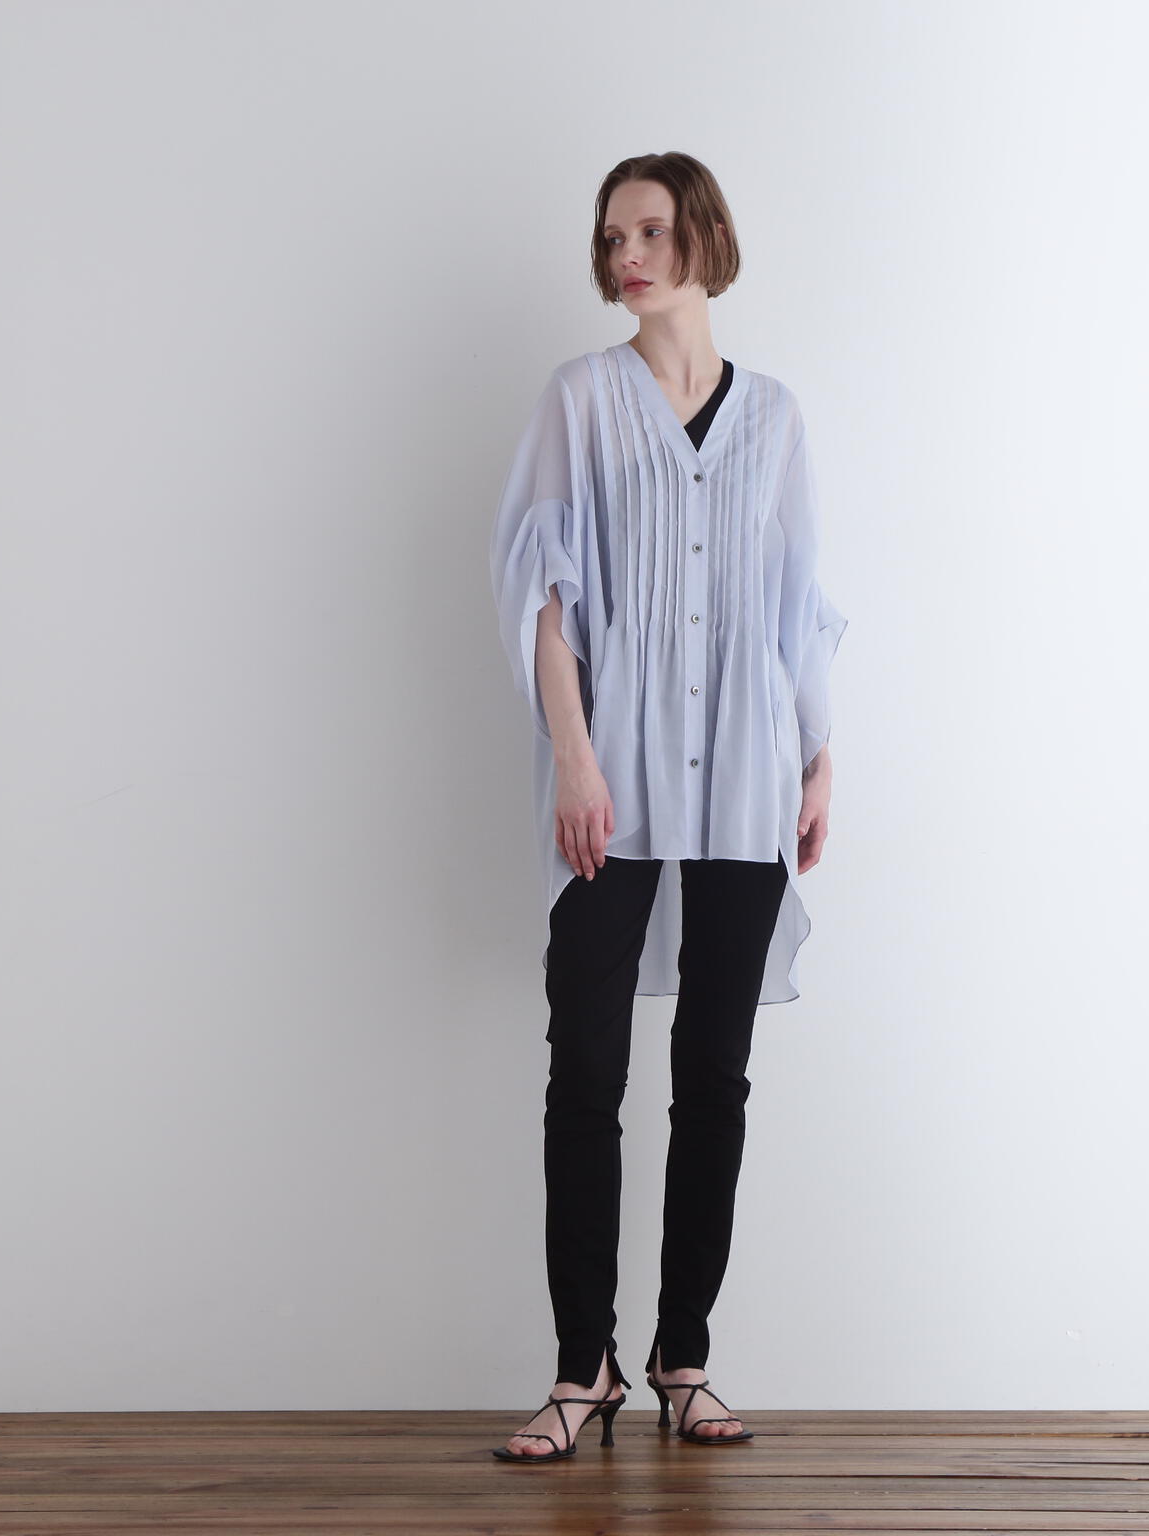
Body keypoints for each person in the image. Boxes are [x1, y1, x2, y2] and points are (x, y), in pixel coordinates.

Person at [488, 152, 848, 1462]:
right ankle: (580, 1368)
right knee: (585, 1074)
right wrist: (574, 757)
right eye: (612, 237)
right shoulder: (580, 401)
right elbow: (544, 592)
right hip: (614, 776)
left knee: (715, 1080)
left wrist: (820, 753)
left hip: (749, 772)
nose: (627, 256)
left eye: (649, 230)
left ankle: (681, 1356)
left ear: (702, 236)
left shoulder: (777, 417)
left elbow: (796, 600)